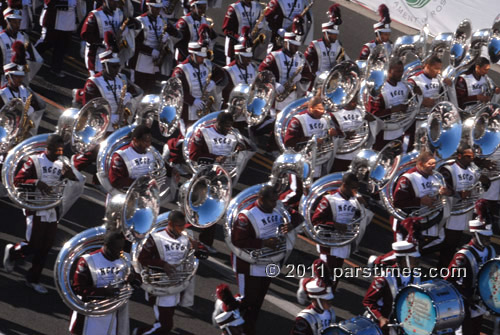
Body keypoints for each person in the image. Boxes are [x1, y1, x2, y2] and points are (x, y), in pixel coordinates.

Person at [3, 135, 78, 294]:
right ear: (48, 148)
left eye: (61, 149)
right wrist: (36, 183)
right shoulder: (34, 161)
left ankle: (33, 279)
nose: (59, 152)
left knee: (46, 247)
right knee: (33, 245)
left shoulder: (61, 163)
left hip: (52, 209)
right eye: (56, 149)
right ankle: (13, 252)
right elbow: (17, 181)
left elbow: (66, 183)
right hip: (35, 207)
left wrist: (68, 175)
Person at [231, 185, 303, 335]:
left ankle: (248, 328)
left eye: (276, 200)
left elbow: (298, 216)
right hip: (248, 264)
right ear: (261, 199)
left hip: (270, 261)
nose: (275, 204)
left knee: (258, 300)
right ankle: (229, 319)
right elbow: (237, 241)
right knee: (247, 299)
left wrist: (290, 224)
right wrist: (263, 243)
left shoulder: (277, 207)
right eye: (271, 201)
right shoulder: (246, 216)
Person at [135, 210, 208, 335]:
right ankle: (139, 333)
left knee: (164, 320)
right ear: (170, 223)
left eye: (183, 225)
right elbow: (142, 259)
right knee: (165, 325)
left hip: (177, 285)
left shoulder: (187, 237)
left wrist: (198, 248)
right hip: (160, 286)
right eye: (179, 225)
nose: (182, 228)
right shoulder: (156, 238)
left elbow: (204, 253)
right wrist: (163, 265)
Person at [70, 231, 134, 335]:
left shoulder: (124, 257)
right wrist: (104, 292)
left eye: (121, 248)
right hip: (90, 313)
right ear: (106, 246)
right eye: (116, 249)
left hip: (115, 313)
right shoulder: (87, 260)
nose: (120, 252)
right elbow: (77, 288)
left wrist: (132, 278)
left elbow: (138, 279)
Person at [311, 173, 365, 292]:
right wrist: (335, 224)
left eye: (357, 188)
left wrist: (361, 206)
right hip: (328, 242)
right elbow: (316, 219)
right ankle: (308, 288)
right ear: (344, 185)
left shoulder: (355, 200)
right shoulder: (329, 198)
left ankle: (327, 297)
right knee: (325, 276)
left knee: (335, 276)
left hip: (343, 242)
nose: (355, 191)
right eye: (353, 187)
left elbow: (358, 220)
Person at [446, 208, 496, 335]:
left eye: (489, 236)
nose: (488, 239)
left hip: (482, 300)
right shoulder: (463, 257)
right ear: (475, 234)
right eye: (485, 236)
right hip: (466, 303)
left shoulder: (490, 250)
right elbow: (449, 281)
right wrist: (466, 297)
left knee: (476, 330)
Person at [438, 146, 490, 268]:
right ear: (459, 156)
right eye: (468, 157)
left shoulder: (474, 170)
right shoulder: (448, 169)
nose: (471, 159)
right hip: (451, 213)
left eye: (472, 157)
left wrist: (485, 181)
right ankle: (442, 270)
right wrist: (458, 194)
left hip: (466, 212)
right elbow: (442, 189)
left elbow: (482, 188)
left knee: (458, 243)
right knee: (449, 245)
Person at [392, 151, 453, 253]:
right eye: (430, 164)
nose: (433, 167)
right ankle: (379, 262)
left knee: (437, 241)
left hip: (427, 221)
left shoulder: (436, 176)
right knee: (403, 253)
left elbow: (451, 191)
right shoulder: (407, 178)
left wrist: (447, 191)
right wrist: (420, 201)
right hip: (407, 223)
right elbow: (397, 203)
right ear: (420, 164)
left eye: (434, 164)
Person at [362, 241, 421, 335]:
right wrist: (380, 318)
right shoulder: (384, 278)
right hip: (380, 324)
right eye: (413, 258)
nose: (417, 261)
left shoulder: (416, 275)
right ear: (403, 260)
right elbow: (368, 302)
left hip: (400, 324)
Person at [131, 0, 181, 93]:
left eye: (159, 8)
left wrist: (168, 37)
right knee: (138, 90)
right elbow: (135, 43)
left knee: (150, 90)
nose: (158, 10)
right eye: (155, 8)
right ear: (149, 6)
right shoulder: (140, 21)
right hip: (141, 63)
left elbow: (177, 34)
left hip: (156, 63)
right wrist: (151, 51)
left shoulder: (162, 21)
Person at [171, 40, 225, 124]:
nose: (203, 58)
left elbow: (221, 73)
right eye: (200, 56)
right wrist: (192, 100)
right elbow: (175, 90)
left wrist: (213, 82)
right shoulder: (181, 70)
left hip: (204, 105)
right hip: (187, 110)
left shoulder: (206, 64)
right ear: (192, 55)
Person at [367, 59, 414, 152]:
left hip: (400, 130)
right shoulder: (379, 89)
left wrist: (415, 96)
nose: (401, 73)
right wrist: (393, 110)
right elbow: (373, 114)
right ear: (389, 71)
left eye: (402, 71)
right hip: (382, 134)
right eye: (397, 71)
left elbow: (411, 104)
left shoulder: (404, 86)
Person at [284, 94, 337, 177]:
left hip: (320, 161)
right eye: (319, 109)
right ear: (311, 108)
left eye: (323, 109)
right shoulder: (298, 120)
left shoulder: (326, 118)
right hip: (302, 161)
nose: (322, 112)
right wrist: (312, 141)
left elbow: (336, 136)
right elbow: (289, 142)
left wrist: (332, 134)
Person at [258, 31, 312, 112]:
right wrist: (274, 84)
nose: (296, 48)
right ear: (286, 43)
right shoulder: (274, 56)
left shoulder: (300, 58)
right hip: (275, 97)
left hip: (293, 97)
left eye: (297, 45)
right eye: (293, 45)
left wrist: (301, 78)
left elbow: (308, 75)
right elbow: (261, 73)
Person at [0, 41, 45, 137]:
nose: (20, 79)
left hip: (21, 132)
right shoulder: (2, 94)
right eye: (16, 77)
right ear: (8, 77)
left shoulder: (26, 92)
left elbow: (36, 108)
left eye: (21, 76)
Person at [36, 0, 86, 78]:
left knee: (62, 47)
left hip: (68, 21)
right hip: (53, 19)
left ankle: (56, 68)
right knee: (45, 43)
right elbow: (48, 2)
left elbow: (80, 6)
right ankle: (27, 59)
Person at [331, 94, 376, 172]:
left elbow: (375, 125)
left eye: (355, 101)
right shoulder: (335, 114)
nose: (354, 104)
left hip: (358, 153)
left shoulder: (361, 111)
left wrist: (371, 120)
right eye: (352, 101)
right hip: (341, 155)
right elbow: (331, 133)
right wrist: (344, 134)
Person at [80, 0, 127, 75]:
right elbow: (85, 34)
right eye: (113, 1)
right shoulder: (95, 15)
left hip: (113, 55)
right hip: (97, 55)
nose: (116, 4)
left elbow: (124, 29)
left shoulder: (120, 14)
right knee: (98, 80)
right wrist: (103, 41)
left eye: (117, 1)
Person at [304, 4, 348, 80]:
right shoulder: (315, 45)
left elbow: (344, 61)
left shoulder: (338, 46)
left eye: (336, 34)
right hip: (315, 80)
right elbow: (306, 64)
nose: (336, 37)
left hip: (331, 80)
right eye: (333, 34)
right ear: (326, 33)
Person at [407, 55, 451, 128]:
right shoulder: (414, 80)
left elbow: (444, 95)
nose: (439, 72)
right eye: (436, 69)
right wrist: (421, 101)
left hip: (436, 118)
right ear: (427, 66)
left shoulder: (439, 79)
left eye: (440, 69)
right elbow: (407, 101)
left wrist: (449, 84)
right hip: (420, 120)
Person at [0, 6, 41, 84]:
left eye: (19, 22)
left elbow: (32, 57)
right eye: (14, 22)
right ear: (8, 21)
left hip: (19, 77)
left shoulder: (23, 37)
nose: (17, 25)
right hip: (3, 78)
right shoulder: (1, 38)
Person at [108, 124, 156, 190]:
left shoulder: (151, 153)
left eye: (150, 141)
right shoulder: (120, 155)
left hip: (144, 194)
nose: (148, 145)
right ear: (135, 140)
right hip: (123, 195)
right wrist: (140, 183)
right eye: (145, 142)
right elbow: (115, 181)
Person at [222, 0, 263, 65]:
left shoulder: (257, 6)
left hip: (250, 44)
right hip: (234, 44)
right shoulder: (234, 8)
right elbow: (226, 29)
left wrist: (260, 26)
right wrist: (239, 38)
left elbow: (261, 20)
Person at [222, 41, 257, 109]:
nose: (249, 60)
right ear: (238, 57)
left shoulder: (253, 66)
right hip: (233, 106)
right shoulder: (228, 70)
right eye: (246, 57)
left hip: (250, 104)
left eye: (250, 57)